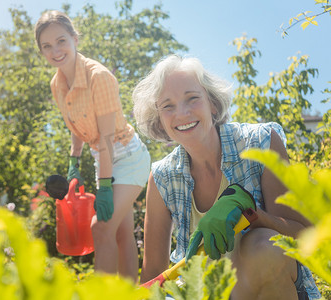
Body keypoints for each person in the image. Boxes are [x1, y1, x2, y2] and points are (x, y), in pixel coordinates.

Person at [132, 55, 320, 299]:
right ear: (159, 117)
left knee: (265, 246)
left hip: (264, 289)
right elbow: (154, 274)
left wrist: (252, 214)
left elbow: (307, 237)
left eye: (192, 98)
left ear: (212, 103)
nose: (182, 113)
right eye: (168, 105)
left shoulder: (259, 144)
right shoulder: (162, 177)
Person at [34, 10, 150, 281]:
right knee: (120, 234)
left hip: (128, 156)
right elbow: (75, 124)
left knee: (100, 228)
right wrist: (74, 162)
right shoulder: (57, 84)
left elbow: (107, 138)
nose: (56, 50)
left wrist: (105, 186)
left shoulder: (99, 77)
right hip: (104, 160)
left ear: (75, 38)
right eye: (47, 46)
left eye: (61, 41)